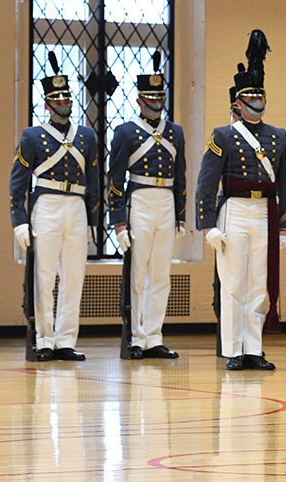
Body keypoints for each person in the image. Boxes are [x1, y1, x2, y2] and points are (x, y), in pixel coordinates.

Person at [196, 29, 286, 371]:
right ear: (238, 103)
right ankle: (234, 348)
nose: (257, 100)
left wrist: (284, 225)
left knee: (258, 284)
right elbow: (206, 184)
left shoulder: (278, 136)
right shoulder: (223, 135)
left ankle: (254, 347)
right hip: (235, 210)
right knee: (234, 283)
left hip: (263, 212)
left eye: (260, 94)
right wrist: (207, 224)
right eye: (250, 95)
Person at [10, 51, 100, 361]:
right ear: (47, 104)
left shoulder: (87, 136)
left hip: (75, 206)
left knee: (74, 276)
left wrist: (93, 220)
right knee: (44, 276)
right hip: (46, 204)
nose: (64, 103)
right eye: (57, 100)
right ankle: (44, 339)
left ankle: (65, 340)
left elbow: (94, 181)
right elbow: (18, 182)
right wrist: (19, 221)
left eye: (67, 98)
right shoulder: (32, 137)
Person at [107, 51, 186, 360]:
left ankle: (154, 335)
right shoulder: (125, 132)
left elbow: (180, 175)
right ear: (139, 100)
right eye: (151, 96)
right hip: (139, 198)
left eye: (160, 95)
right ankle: (136, 336)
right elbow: (115, 178)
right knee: (138, 273)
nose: (156, 101)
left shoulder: (175, 131)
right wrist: (119, 220)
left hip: (165, 201)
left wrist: (180, 215)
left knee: (161, 273)